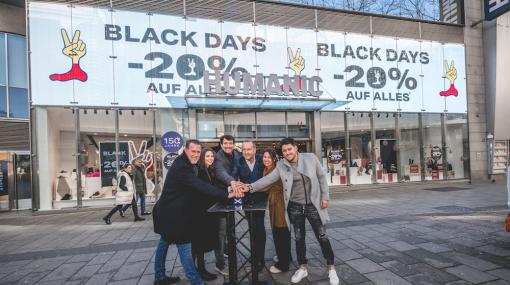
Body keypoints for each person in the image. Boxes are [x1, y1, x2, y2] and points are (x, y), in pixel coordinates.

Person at [235, 138, 340, 285]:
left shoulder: (310, 158)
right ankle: (302, 268)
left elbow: (322, 177)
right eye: (284, 151)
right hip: (295, 206)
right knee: (299, 239)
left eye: (289, 149)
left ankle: (331, 269)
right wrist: (249, 187)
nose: (287, 152)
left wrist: (325, 197)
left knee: (322, 236)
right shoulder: (281, 165)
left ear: (296, 148)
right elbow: (268, 180)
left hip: (313, 205)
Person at [152, 139, 239, 285]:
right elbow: (199, 185)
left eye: (198, 152)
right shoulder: (182, 166)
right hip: (173, 214)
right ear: (185, 150)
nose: (196, 154)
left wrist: (227, 189)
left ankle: (159, 277)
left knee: (164, 243)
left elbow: (203, 185)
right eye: (193, 151)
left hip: (168, 211)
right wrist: (226, 194)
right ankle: (196, 281)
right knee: (184, 245)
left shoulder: (188, 164)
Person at [231, 140, 267, 272]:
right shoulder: (238, 161)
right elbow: (234, 176)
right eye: (244, 149)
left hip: (261, 200)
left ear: (254, 149)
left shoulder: (261, 159)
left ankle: (260, 259)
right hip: (247, 202)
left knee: (259, 230)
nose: (246, 152)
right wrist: (235, 184)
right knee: (252, 229)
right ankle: (255, 256)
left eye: (249, 149)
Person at [258, 148, 292, 274]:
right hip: (274, 203)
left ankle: (283, 265)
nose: (266, 159)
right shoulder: (267, 169)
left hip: (280, 204)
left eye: (268, 157)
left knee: (281, 232)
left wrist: (246, 187)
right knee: (279, 232)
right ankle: (286, 256)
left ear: (274, 159)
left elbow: (263, 186)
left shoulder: (274, 169)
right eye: (264, 157)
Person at [213, 134, 240, 276]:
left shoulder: (235, 154)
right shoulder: (217, 157)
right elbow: (220, 173)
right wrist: (233, 182)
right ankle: (219, 264)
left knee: (230, 228)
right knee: (221, 232)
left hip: (231, 196)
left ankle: (226, 251)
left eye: (231, 143)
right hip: (220, 197)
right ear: (221, 144)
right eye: (226, 144)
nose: (229, 146)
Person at [192, 148, 220, 281]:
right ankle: (198, 271)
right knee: (198, 244)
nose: (210, 158)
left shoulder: (209, 170)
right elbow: (204, 191)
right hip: (199, 212)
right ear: (202, 157)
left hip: (205, 211)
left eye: (212, 156)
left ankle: (198, 269)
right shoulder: (200, 171)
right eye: (208, 156)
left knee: (199, 243)